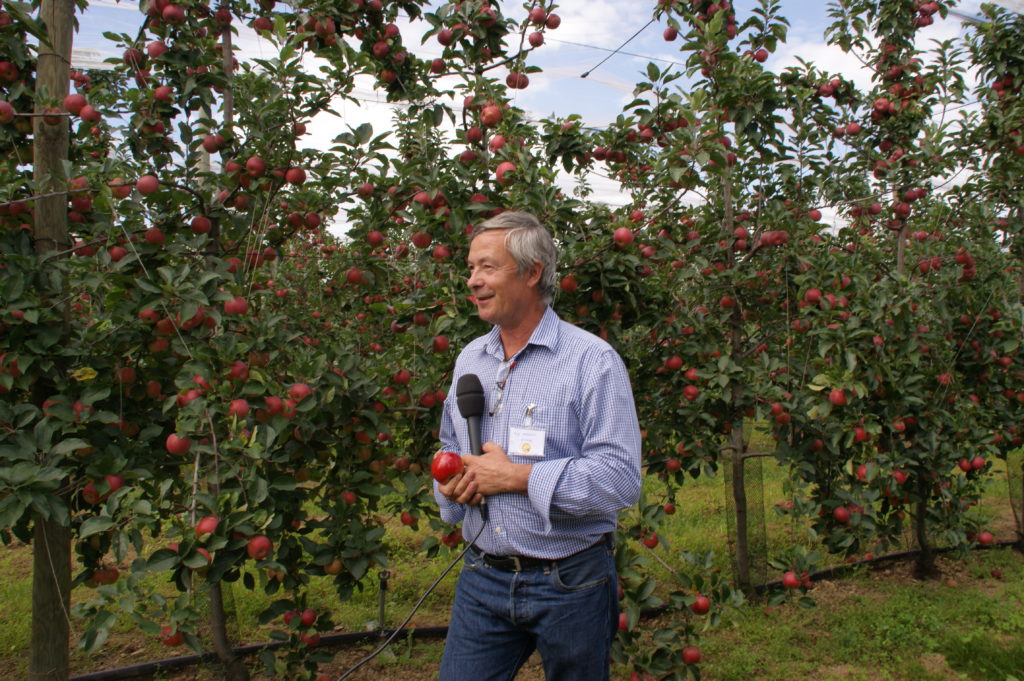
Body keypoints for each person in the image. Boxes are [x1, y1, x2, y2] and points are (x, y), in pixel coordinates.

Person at [433, 211, 642, 681]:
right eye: (470, 268)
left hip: (570, 581)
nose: (473, 280)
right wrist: (449, 486)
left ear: (531, 272)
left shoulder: (591, 361)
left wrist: (519, 477)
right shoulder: (472, 358)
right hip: (483, 574)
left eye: (487, 267)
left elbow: (621, 478)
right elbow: (450, 444)